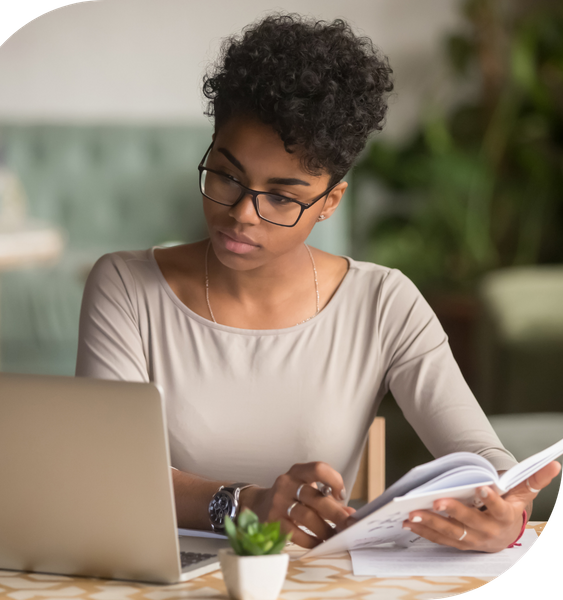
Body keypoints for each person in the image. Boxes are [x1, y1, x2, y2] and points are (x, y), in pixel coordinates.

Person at [76, 13, 560, 552]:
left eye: (281, 196)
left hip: (314, 582)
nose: (242, 213)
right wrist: (244, 505)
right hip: (161, 578)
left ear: (330, 202)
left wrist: (506, 510)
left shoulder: (383, 302)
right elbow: (108, 469)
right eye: (226, 175)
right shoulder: (124, 286)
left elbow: (478, 452)